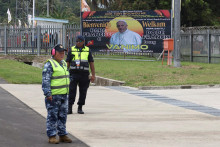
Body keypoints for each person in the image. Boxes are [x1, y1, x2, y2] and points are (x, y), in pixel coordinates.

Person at [42, 44, 72, 144]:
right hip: (53, 96)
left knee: (63, 116)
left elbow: (66, 76)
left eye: (63, 52)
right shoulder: (49, 64)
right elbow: (46, 80)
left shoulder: (63, 63)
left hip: (64, 95)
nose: (62, 54)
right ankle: (52, 136)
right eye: (60, 52)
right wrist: (47, 93)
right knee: (52, 116)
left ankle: (62, 135)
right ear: (54, 53)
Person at [66, 35, 95, 114]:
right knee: (72, 91)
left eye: (79, 41)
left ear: (83, 42)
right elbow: (68, 61)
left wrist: (93, 75)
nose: (77, 42)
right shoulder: (72, 49)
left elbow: (91, 62)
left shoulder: (87, 50)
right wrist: (65, 72)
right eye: (76, 41)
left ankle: (80, 107)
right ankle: (69, 107)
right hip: (73, 73)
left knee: (83, 91)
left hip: (84, 74)